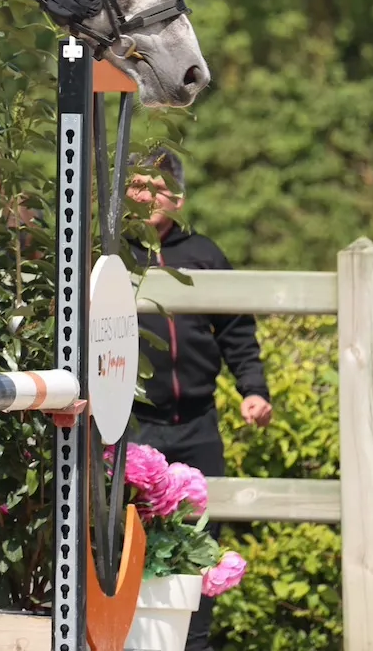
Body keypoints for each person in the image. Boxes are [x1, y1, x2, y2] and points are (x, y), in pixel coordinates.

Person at [127, 148, 271, 651]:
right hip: (134, 426)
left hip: (197, 425)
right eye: (138, 185)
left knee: (200, 548)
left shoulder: (205, 253)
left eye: (158, 187)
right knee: (130, 543)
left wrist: (253, 389)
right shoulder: (111, 254)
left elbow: (236, 331)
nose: (147, 196)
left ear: (179, 198)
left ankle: (197, 642)